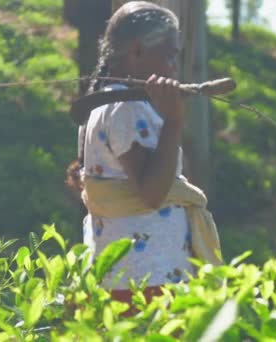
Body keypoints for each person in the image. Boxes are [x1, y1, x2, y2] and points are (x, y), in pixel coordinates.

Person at [65, 1, 221, 314]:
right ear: (136, 52)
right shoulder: (127, 108)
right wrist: (175, 120)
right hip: (147, 280)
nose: (175, 65)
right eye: (170, 54)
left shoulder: (105, 106)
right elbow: (152, 193)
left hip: (124, 276)